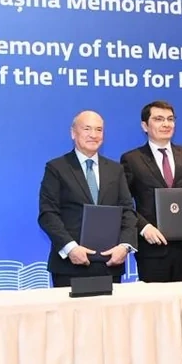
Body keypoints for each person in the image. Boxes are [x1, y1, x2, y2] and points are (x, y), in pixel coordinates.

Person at [38, 110, 138, 287]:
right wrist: (71, 248)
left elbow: (128, 211)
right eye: (87, 129)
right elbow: (48, 214)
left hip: (110, 264)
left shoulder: (115, 170)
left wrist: (124, 246)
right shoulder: (56, 168)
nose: (93, 135)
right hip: (69, 266)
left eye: (99, 130)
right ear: (73, 133)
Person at [119, 100, 182, 283]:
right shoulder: (132, 159)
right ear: (145, 126)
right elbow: (123, 203)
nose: (166, 124)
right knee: (155, 301)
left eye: (170, 119)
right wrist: (143, 227)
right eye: (159, 119)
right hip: (152, 248)